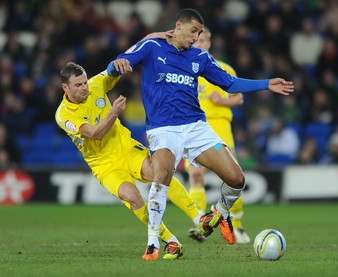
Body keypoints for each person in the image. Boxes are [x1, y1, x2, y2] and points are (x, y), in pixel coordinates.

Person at [108, 8, 294, 259]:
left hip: (196, 128)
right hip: (164, 128)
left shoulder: (200, 58)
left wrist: (266, 84)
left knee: (237, 179)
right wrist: (115, 66)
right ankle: (152, 242)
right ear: (178, 26)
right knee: (161, 176)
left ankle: (219, 213)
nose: (196, 38)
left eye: (200, 33)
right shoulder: (153, 46)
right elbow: (120, 62)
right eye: (194, 31)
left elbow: (230, 83)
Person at [55, 33, 222, 262]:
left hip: (126, 149)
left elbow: (112, 68)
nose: (84, 87)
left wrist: (148, 39)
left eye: (85, 82)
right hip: (104, 165)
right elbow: (94, 134)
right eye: (78, 85)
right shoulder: (63, 115)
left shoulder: (95, 85)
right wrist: (113, 113)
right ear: (66, 87)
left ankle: (198, 218)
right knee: (132, 197)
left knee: (159, 173)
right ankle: (170, 240)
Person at [185, 27, 250, 244]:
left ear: (209, 44)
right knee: (195, 175)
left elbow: (239, 98)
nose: (200, 44)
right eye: (196, 41)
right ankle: (200, 225)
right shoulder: (185, 68)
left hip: (219, 127)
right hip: (194, 128)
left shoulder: (222, 68)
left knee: (232, 177)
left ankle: (238, 227)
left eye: (203, 41)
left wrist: (222, 101)